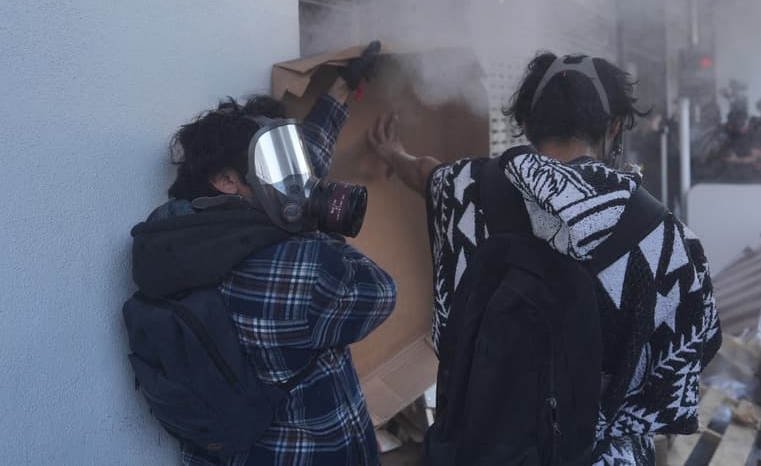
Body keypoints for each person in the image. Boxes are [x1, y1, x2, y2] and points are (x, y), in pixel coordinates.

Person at [367, 52, 722, 466]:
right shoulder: (666, 238)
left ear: (527, 125)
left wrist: (392, 153)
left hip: (478, 447)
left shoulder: (464, 189)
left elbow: (423, 173)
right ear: (612, 128)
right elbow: (697, 349)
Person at [132, 52, 397, 466]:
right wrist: (315, 219)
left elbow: (295, 163)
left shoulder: (181, 232)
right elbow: (381, 292)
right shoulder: (295, 270)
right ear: (226, 180)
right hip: (314, 453)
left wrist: (340, 89)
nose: (294, 179)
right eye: (272, 167)